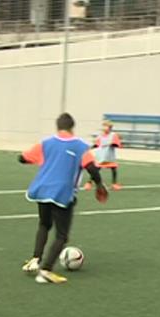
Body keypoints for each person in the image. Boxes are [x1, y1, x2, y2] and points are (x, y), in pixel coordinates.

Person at [19, 113, 108, 284]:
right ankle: (45, 270)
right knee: (62, 235)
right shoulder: (81, 146)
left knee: (44, 224)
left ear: (57, 127)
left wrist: (43, 161)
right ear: (72, 127)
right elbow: (92, 168)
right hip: (62, 193)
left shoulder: (45, 143)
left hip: (42, 190)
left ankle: (35, 259)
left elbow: (22, 158)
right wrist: (100, 185)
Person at [90, 119, 123, 191]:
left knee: (113, 169)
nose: (105, 128)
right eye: (104, 126)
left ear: (110, 127)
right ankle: (89, 182)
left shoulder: (113, 135)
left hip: (109, 156)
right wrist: (91, 148)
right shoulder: (100, 136)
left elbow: (116, 144)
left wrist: (113, 144)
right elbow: (96, 144)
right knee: (96, 169)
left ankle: (114, 184)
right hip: (101, 156)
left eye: (106, 126)